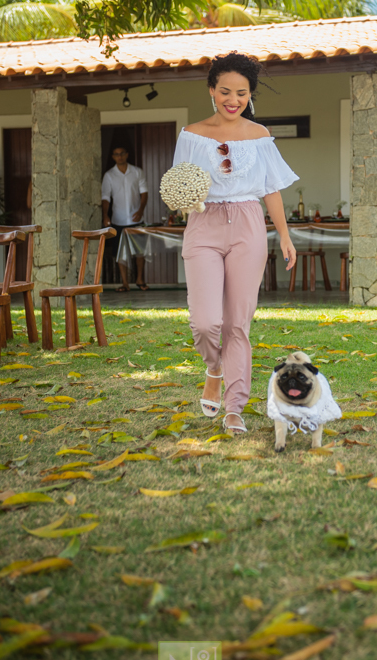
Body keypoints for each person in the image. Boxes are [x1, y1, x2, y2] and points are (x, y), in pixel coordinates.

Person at [173, 51, 298, 434]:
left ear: (250, 95)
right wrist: (187, 200)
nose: (233, 99)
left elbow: (271, 189)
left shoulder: (259, 136)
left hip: (248, 224)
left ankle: (234, 408)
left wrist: (285, 236)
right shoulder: (192, 135)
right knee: (207, 322)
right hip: (203, 224)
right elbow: (181, 189)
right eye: (225, 91)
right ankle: (214, 367)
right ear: (212, 91)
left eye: (241, 93)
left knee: (238, 324)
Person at [102, 146, 149, 292]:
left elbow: (144, 192)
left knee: (140, 251)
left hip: (136, 219)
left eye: (122, 153)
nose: (119, 156)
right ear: (113, 157)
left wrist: (141, 210)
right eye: (116, 154)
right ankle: (125, 283)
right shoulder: (109, 175)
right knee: (119, 252)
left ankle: (140, 280)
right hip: (118, 219)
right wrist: (105, 215)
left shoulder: (137, 172)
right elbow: (105, 197)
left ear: (127, 154)